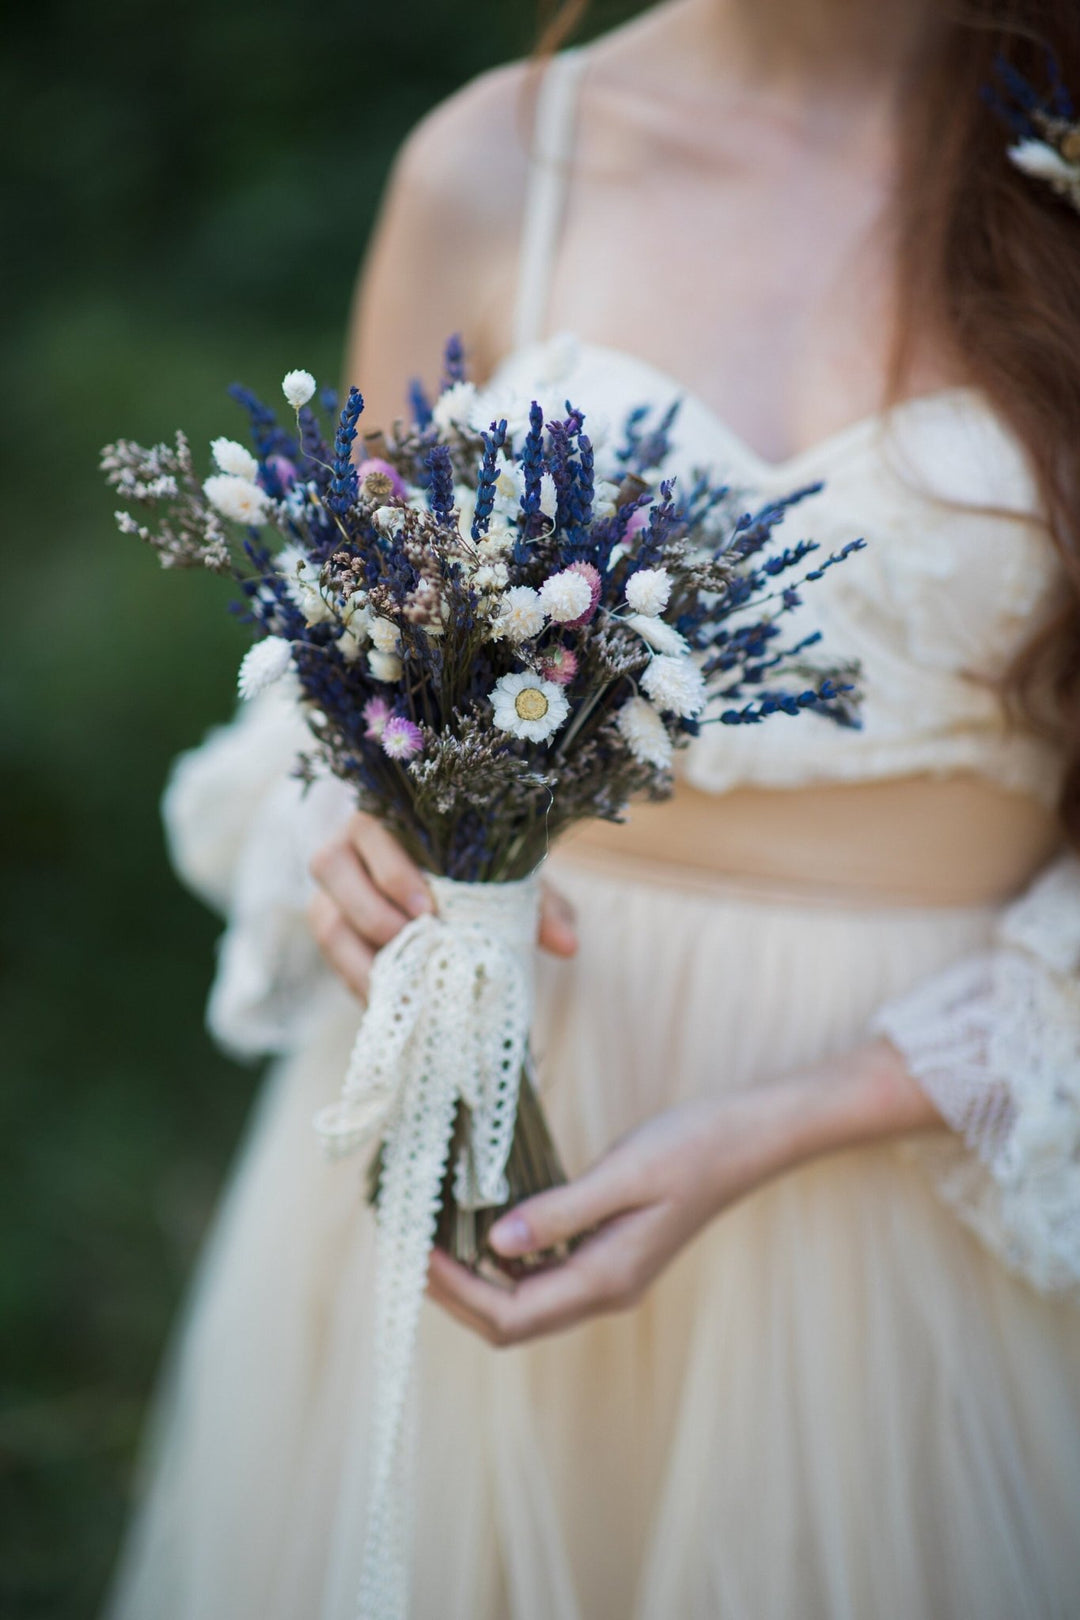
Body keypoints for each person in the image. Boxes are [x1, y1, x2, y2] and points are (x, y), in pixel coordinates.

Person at [106, 1, 1080, 1615]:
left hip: (928, 1170)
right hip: (504, 1090)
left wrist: (812, 1110)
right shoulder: (499, 162)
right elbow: (346, 654)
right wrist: (344, 831)